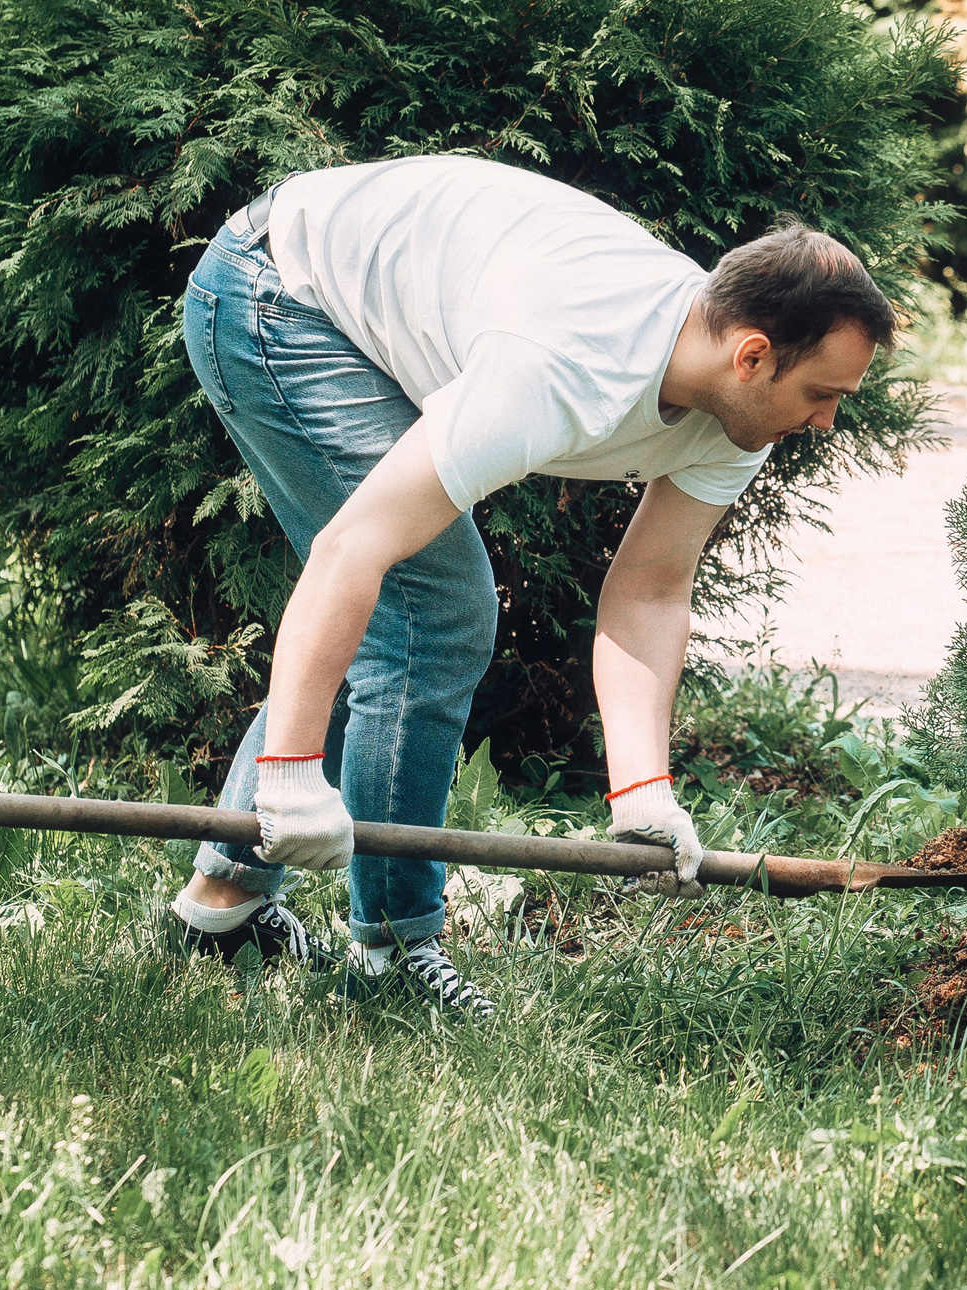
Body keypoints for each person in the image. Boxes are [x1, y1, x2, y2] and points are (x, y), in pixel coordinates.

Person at [164, 155, 893, 1017]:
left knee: (420, 611)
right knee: (433, 611)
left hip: (374, 292)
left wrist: (644, 791)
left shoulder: (737, 414)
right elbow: (349, 551)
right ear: (754, 355)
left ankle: (222, 910)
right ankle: (392, 953)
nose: (827, 421)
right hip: (280, 289)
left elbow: (650, 591)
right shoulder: (561, 363)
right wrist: (289, 772)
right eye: (822, 393)